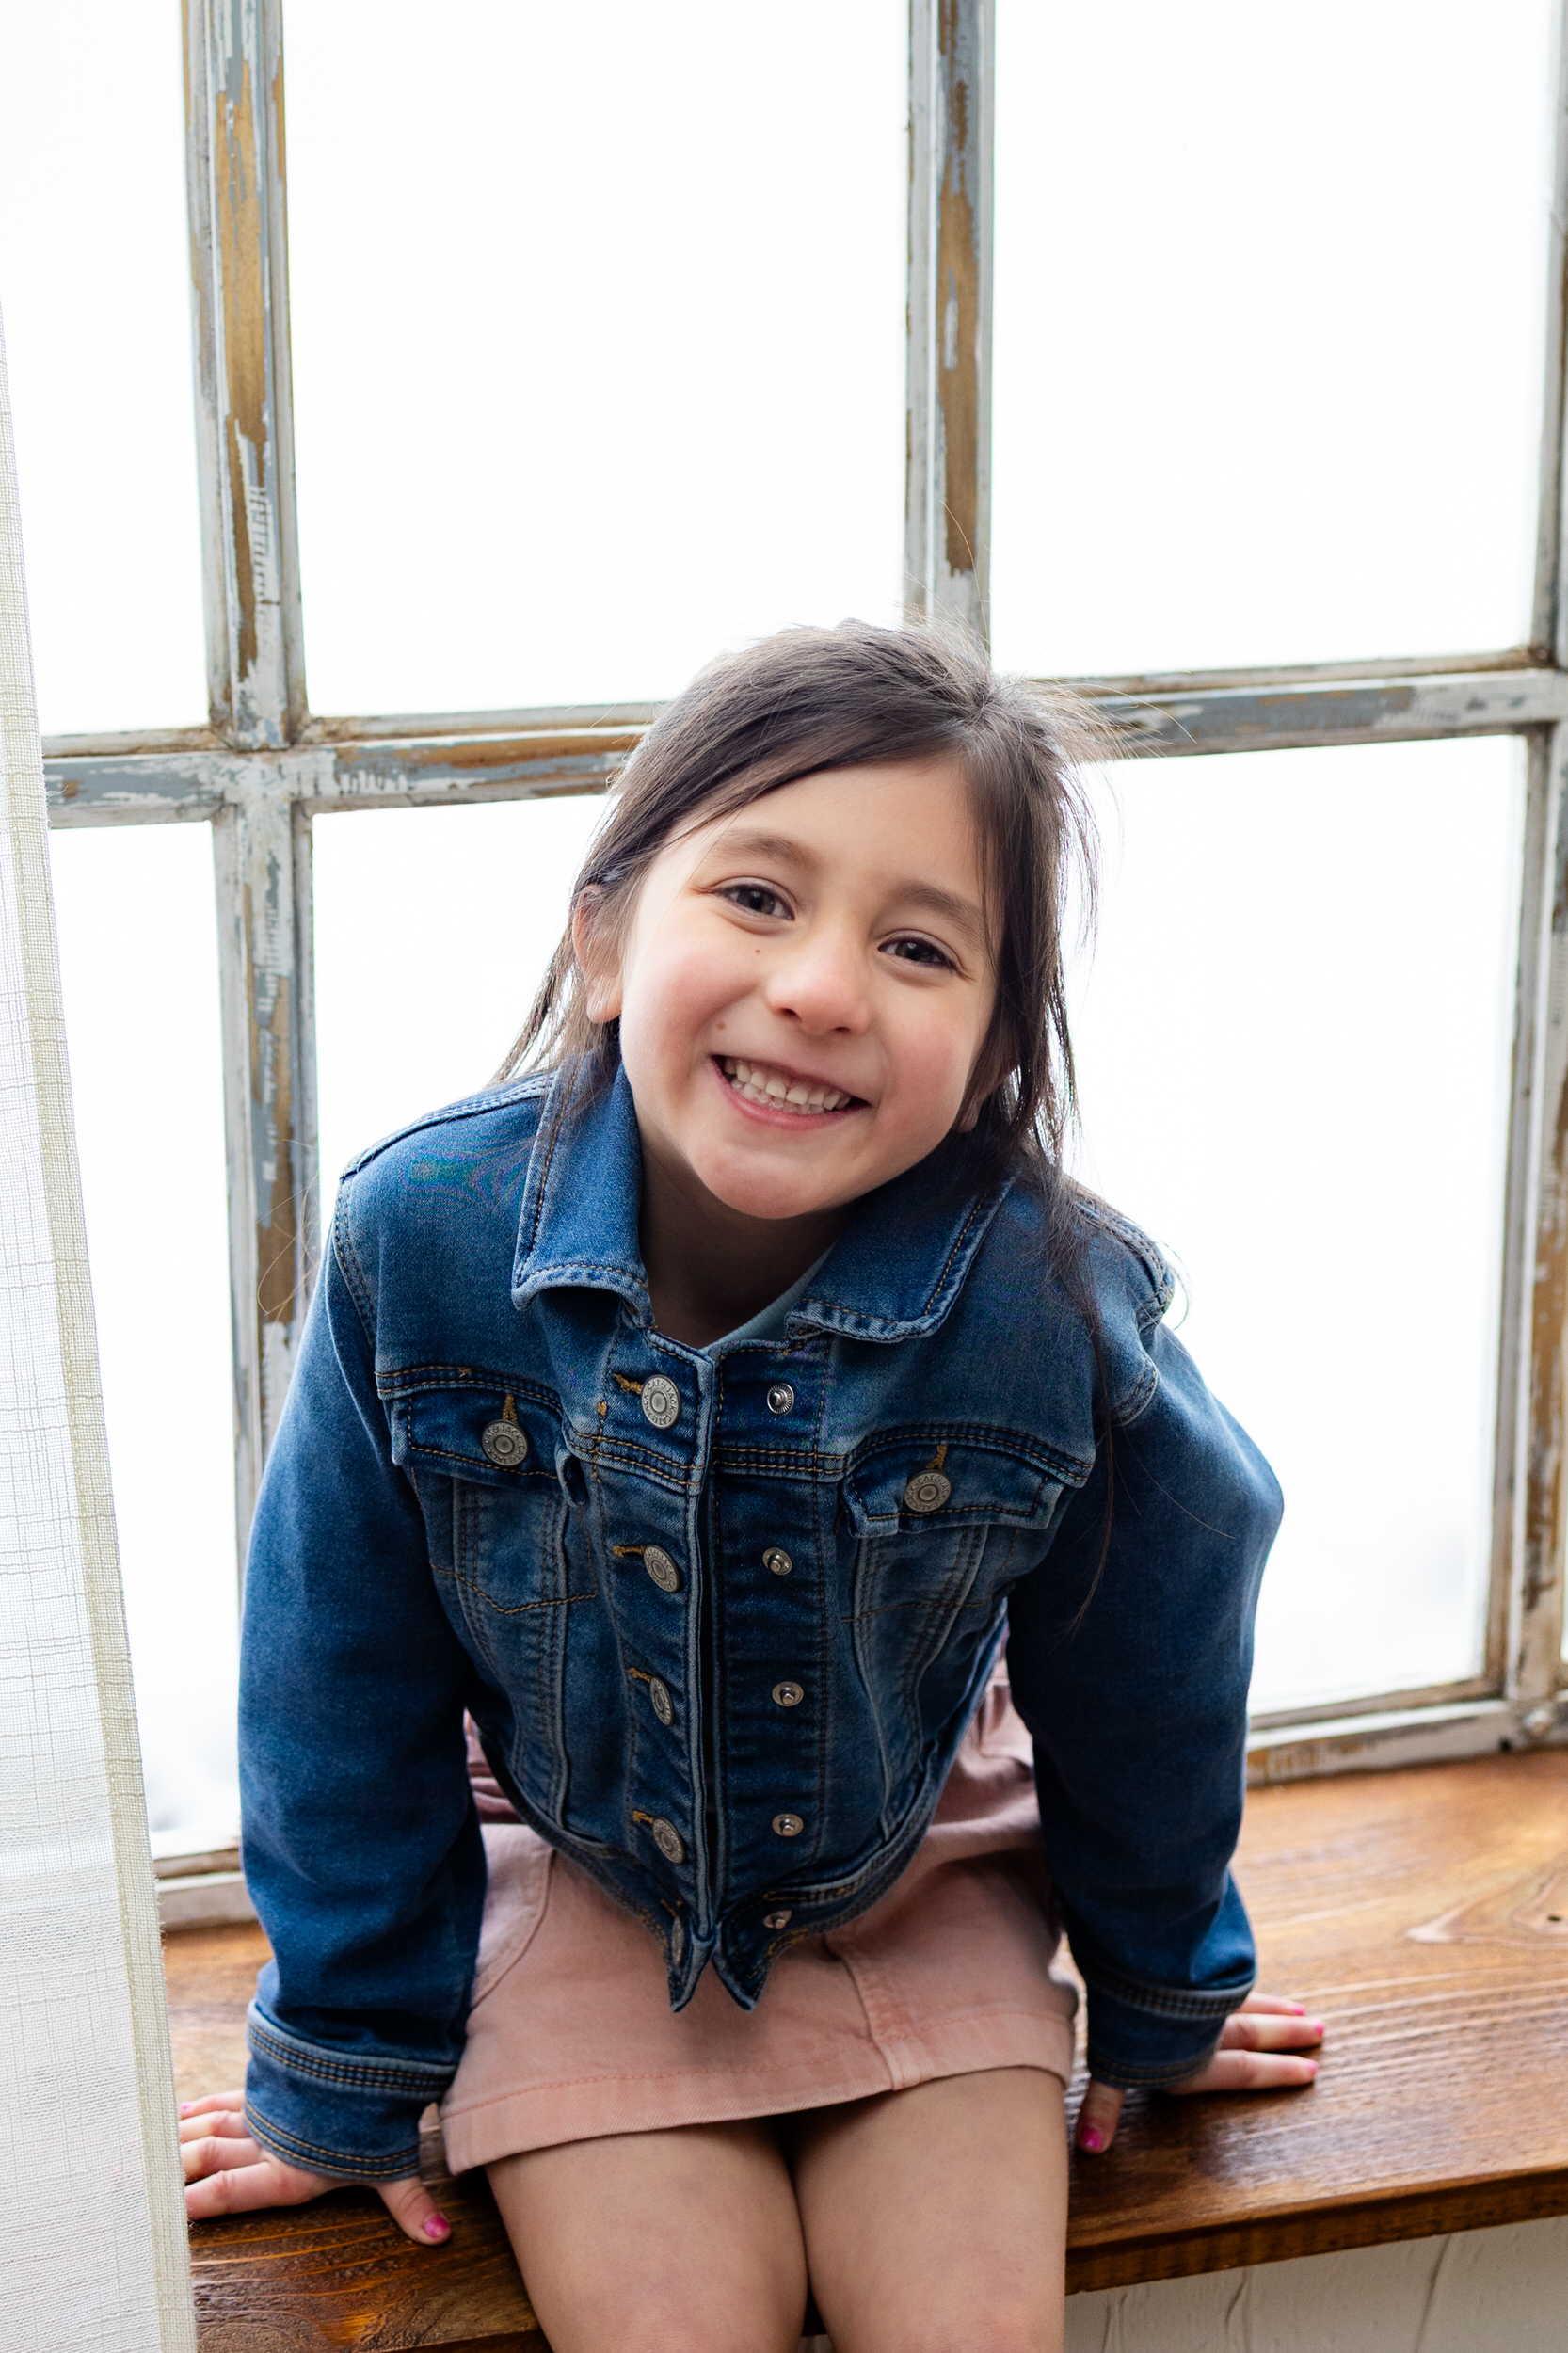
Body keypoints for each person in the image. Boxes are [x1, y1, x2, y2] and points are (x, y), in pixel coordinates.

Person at [182, 623, 1323, 2353]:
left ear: (996, 1043)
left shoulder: (1048, 1302)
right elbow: (333, 1685)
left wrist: (1164, 1986)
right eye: (760, 899)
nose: (822, 988)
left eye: (919, 944)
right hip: (583, 1882)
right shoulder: (417, 1244)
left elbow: (1153, 1656)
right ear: (604, 939)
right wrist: (346, 2067)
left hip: (916, 1868)